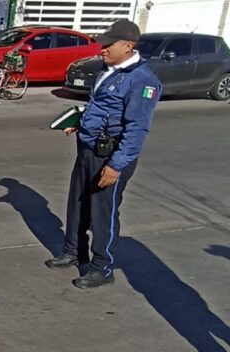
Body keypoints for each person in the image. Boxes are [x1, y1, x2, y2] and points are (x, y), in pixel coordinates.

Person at [48, 19, 161, 289]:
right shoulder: (106, 69)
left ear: (128, 46)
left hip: (111, 155)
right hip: (88, 148)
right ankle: (74, 250)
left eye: (108, 45)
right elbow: (99, 107)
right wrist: (78, 123)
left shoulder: (143, 80)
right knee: (78, 203)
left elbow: (136, 129)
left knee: (103, 212)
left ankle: (102, 266)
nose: (102, 49)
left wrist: (116, 166)